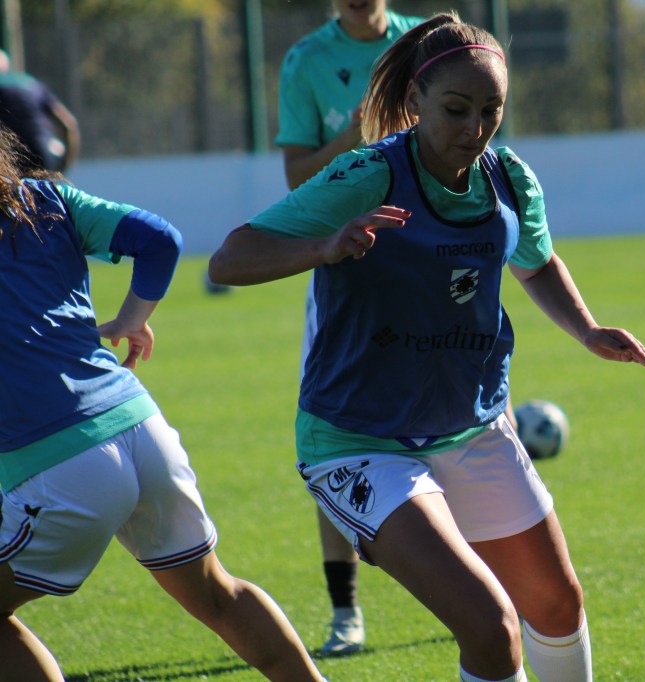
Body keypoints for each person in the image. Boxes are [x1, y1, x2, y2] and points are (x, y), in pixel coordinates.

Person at [209, 12, 645, 682]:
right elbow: (230, 259)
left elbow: (537, 263)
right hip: (360, 442)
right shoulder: (367, 175)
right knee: (491, 627)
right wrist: (326, 246)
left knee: (557, 604)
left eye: (490, 111)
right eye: (456, 109)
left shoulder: (508, 179)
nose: (474, 128)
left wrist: (588, 329)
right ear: (416, 100)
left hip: (472, 428)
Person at [0, 128, 325, 682]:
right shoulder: (48, 198)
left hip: (59, 464)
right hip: (139, 426)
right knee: (217, 594)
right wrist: (132, 318)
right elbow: (159, 238)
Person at [276, 0, 422, 657]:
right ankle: (346, 612)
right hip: (347, 270)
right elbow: (296, 178)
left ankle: (484, 588)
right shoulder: (306, 60)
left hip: (429, 258)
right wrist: (354, 135)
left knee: (463, 422)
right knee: (334, 430)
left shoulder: (427, 43)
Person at [0, 50, 80, 173]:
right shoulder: (33, 84)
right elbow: (68, 124)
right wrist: (65, 164)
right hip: (44, 152)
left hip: (10, 158)